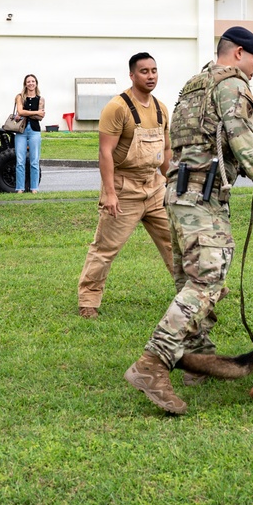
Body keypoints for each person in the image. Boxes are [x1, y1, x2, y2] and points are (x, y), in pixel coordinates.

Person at [124, 27, 253, 415]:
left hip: (178, 193)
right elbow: (242, 140)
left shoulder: (195, 83)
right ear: (239, 53)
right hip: (201, 198)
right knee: (207, 281)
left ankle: (196, 361)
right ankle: (151, 365)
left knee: (190, 279)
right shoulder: (232, 84)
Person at [77, 54, 173, 319]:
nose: (151, 75)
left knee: (175, 241)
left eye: (154, 70)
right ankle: (88, 301)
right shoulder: (117, 108)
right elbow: (105, 152)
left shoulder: (161, 108)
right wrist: (110, 193)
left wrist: (173, 183)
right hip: (123, 189)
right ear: (132, 75)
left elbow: (165, 150)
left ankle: (194, 293)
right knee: (105, 248)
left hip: (155, 187)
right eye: (144, 71)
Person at [13, 74, 45, 193]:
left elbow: (40, 117)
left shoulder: (40, 99)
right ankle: (20, 188)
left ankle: (34, 188)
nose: (31, 83)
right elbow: (20, 111)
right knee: (20, 160)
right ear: (25, 84)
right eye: (28, 81)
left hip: (34, 131)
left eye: (33, 81)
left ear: (36, 83)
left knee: (34, 160)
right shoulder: (20, 97)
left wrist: (25, 113)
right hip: (21, 131)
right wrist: (35, 112)